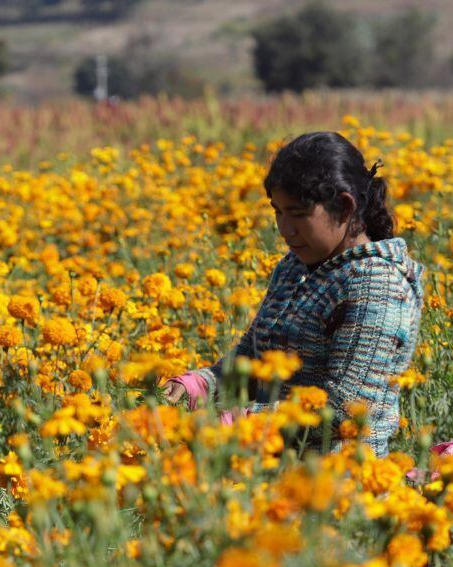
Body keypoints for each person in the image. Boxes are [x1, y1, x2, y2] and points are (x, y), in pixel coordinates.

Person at [166, 131, 424, 457]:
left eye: (298, 214)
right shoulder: (296, 266)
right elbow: (253, 357)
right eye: (278, 212)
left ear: (345, 208)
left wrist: (239, 421)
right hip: (266, 463)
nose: (285, 229)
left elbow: (345, 409)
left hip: (337, 484)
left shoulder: (378, 286)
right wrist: (197, 386)